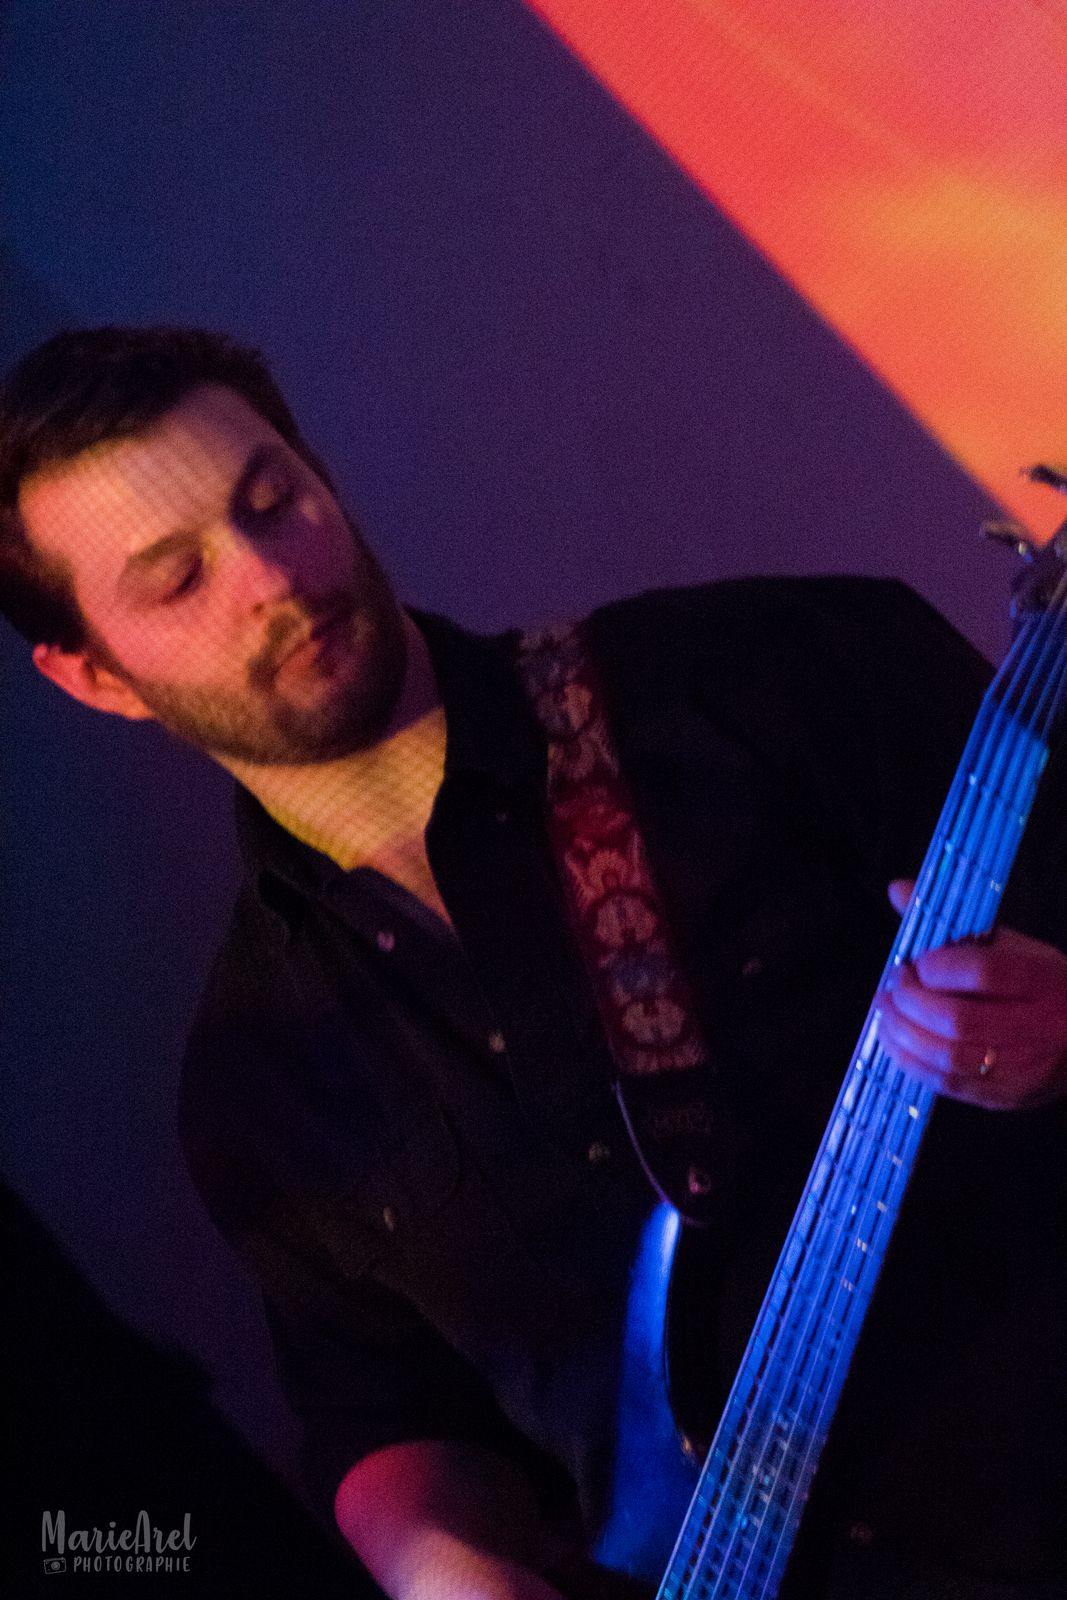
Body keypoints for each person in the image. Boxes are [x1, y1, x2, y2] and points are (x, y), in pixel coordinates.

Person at [2, 326, 1066, 1600]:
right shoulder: (255, 1080)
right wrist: (428, 1556)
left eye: (272, 500)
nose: (269, 575)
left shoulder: (781, 671)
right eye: (178, 578)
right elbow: (390, 1409)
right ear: (94, 676)